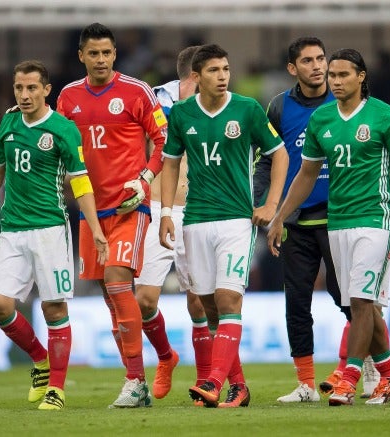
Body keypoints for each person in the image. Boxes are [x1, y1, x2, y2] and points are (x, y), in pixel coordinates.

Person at [267, 48, 390, 406]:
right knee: (359, 303)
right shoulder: (321, 119)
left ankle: (348, 377)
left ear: (361, 76)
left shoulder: (385, 117)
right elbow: (305, 175)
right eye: (332, 75)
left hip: (375, 220)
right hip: (338, 222)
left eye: (342, 75)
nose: (334, 81)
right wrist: (280, 216)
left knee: (363, 301)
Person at [0, 60, 108, 411]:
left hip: (50, 231)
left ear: (46, 90)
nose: (24, 95)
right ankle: (40, 359)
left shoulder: (63, 129)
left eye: (31, 88)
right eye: (19, 88)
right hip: (12, 230)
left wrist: (95, 228)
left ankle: (57, 388)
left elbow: (81, 184)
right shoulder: (8, 121)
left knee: (54, 309)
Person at [159, 44, 289, 408]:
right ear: (196, 77)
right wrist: (167, 211)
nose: (223, 76)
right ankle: (239, 386)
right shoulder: (182, 113)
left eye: (226, 69)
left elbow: (279, 154)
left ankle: (214, 382)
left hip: (235, 219)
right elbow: (170, 163)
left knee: (228, 298)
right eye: (214, 70)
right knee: (208, 307)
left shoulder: (246, 109)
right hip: (195, 219)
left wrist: (271, 205)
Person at [57, 23, 168, 408]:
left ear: (115, 54)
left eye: (107, 53)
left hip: (129, 206)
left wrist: (146, 177)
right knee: (110, 298)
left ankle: (135, 380)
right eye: (94, 53)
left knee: (118, 281)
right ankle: (149, 367)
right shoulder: (68, 98)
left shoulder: (137, 91)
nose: (101, 59)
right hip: (91, 211)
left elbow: (162, 139)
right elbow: (61, 148)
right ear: (82, 56)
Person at [253, 37, 353, 403]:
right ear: (292, 69)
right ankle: (307, 384)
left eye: (321, 58)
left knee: (349, 299)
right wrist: (262, 202)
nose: (318, 66)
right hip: (294, 221)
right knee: (296, 303)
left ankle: (368, 369)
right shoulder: (279, 107)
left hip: (340, 216)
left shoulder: (345, 101)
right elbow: (267, 158)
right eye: (308, 60)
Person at [133, 45, 199, 400]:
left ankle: (207, 379)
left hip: (200, 207)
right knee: (143, 299)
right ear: (194, 75)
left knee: (199, 301)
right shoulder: (154, 100)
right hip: (158, 205)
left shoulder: (222, 103)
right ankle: (165, 356)